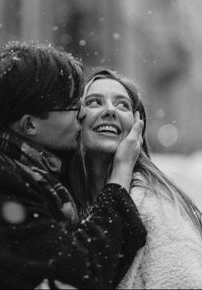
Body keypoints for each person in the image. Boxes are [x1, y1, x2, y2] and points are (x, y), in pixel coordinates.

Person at [0, 42, 147, 289]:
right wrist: (120, 176)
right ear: (30, 126)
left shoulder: (27, 168)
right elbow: (82, 273)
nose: (83, 113)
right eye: (74, 105)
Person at [70, 68, 202, 289]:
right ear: (73, 120)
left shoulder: (159, 209)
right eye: (94, 102)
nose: (110, 110)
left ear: (137, 126)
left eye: (123, 105)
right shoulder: (58, 202)